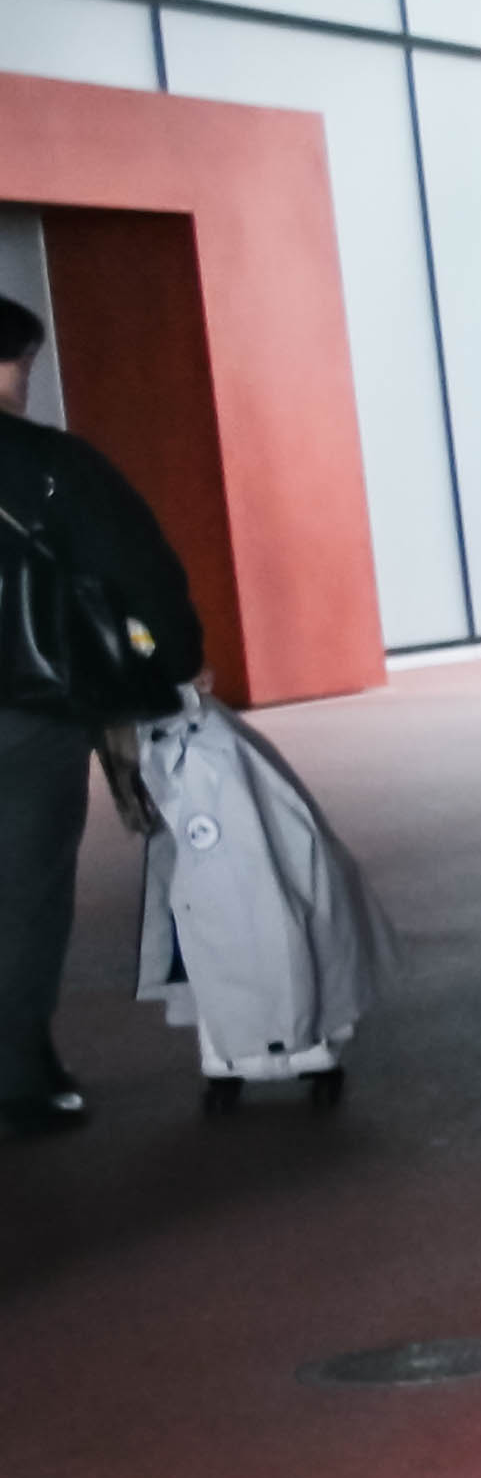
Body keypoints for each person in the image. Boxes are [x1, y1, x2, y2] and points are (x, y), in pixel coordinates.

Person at [0, 288, 202, 1137]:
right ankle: (15, 1079)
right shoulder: (51, 463)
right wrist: (175, 660)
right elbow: (136, 569)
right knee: (22, 890)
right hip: (29, 709)